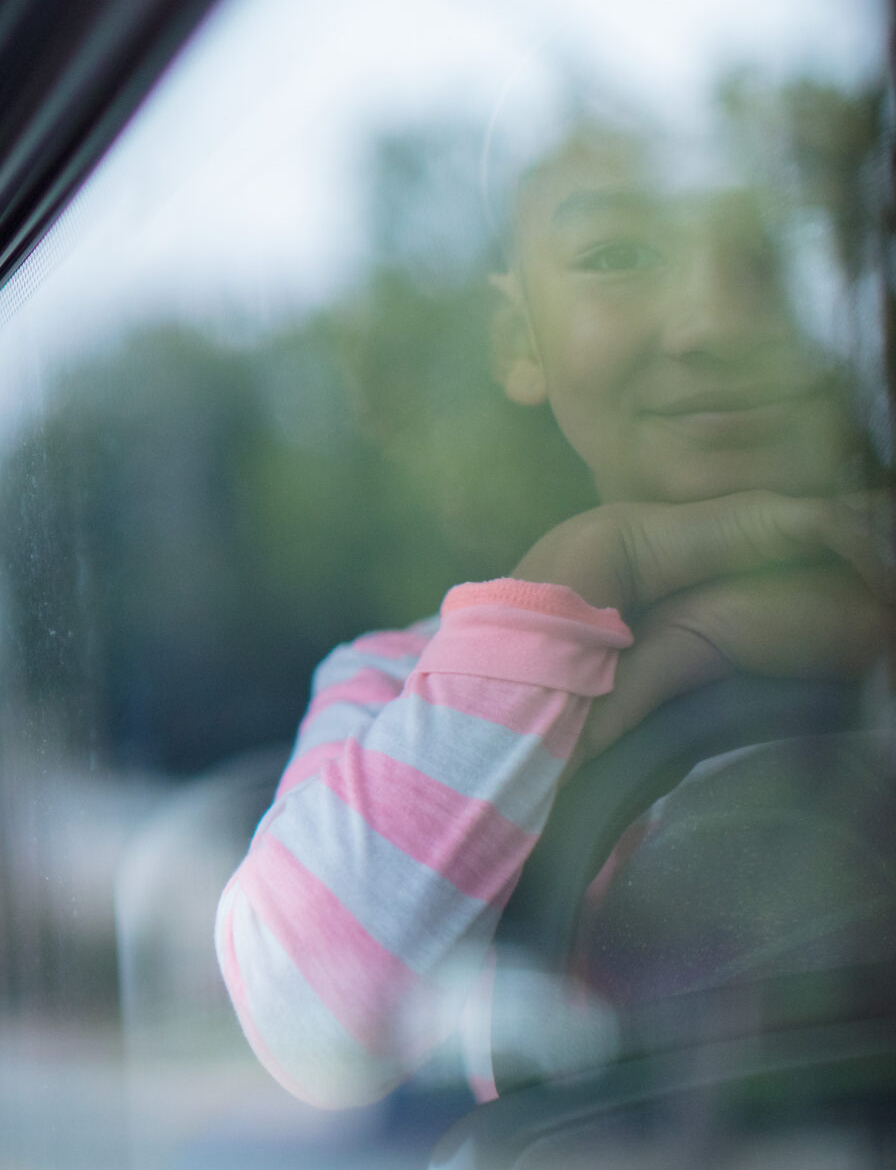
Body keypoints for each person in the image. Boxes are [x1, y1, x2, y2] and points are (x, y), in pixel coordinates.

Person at [216, 121, 891, 1110]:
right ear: (518, 340)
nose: (706, 322)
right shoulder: (398, 685)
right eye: (619, 255)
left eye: (757, 258)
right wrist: (600, 563)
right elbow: (311, 1009)